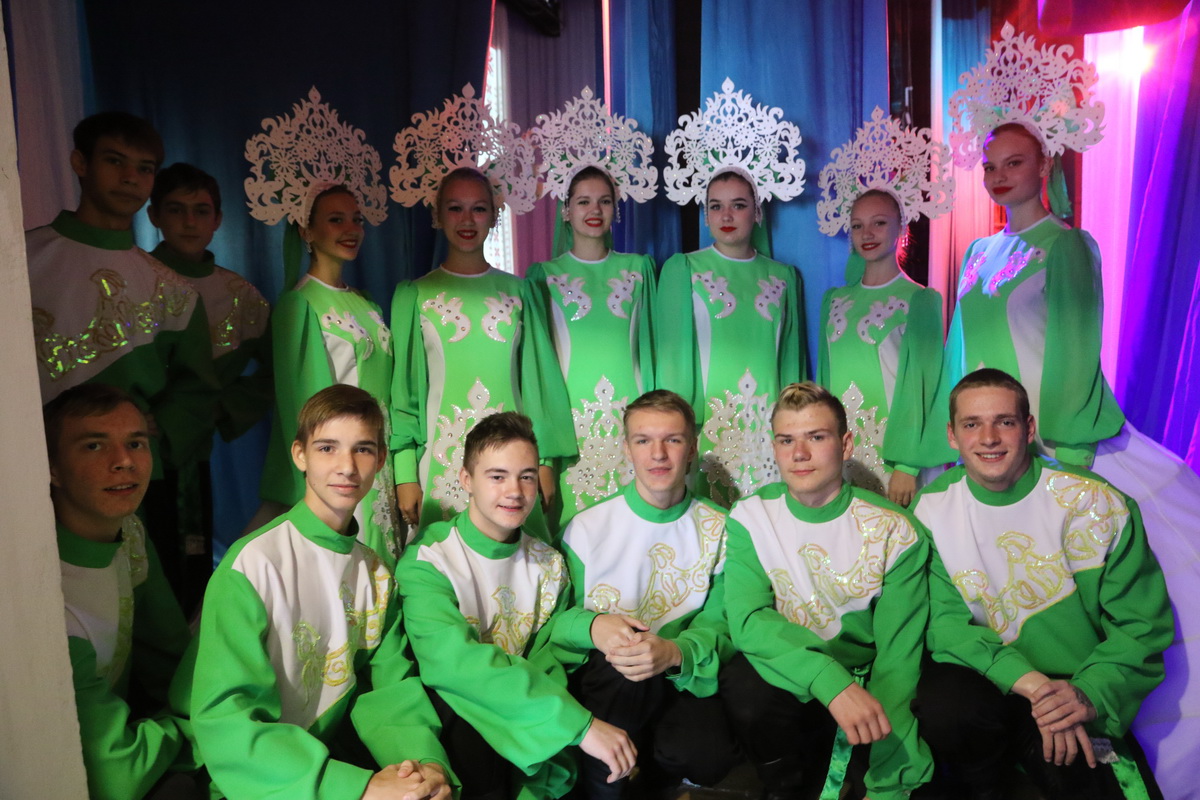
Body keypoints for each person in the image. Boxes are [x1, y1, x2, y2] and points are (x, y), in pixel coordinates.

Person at [946, 27, 1200, 790]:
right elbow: (962, 354)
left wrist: (1061, 451)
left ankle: (1098, 721)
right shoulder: (979, 253)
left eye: (1014, 162)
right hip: (991, 439)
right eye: (991, 165)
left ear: (1046, 166)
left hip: (1057, 438)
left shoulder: (1068, 246)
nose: (999, 176)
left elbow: (1074, 352)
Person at [911, 368, 1172, 800]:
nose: (989, 438)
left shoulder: (1097, 504)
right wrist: (1032, 684)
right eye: (972, 424)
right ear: (952, 436)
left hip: (1075, 685)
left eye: (1005, 421)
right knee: (946, 707)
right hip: (989, 682)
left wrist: (1085, 694)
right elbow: (946, 626)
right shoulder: (931, 508)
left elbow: (1142, 627)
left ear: (1028, 428)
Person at [187, 384, 452, 800]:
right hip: (251, 779)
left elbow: (387, 690)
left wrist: (424, 766)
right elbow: (227, 721)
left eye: (362, 449)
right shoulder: (253, 564)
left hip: (323, 765)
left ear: (381, 459)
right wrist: (360, 787)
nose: (347, 466)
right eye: (327, 448)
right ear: (299, 455)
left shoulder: (376, 574)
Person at [396, 411, 636, 800]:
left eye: (526, 476)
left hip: (528, 711)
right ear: (466, 480)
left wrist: (592, 626)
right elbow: (454, 665)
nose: (515, 491)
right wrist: (578, 726)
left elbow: (549, 658)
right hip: (458, 713)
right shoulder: (430, 560)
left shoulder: (548, 563)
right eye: (497, 476)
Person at [27, 111, 218, 600]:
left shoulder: (171, 289)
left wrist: (154, 435)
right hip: (28, 470)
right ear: (80, 163)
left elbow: (197, 390)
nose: (131, 177)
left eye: (145, 168)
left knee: (133, 602)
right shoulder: (23, 261)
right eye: (115, 161)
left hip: (125, 483)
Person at [722, 382, 931, 800]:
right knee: (744, 685)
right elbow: (748, 621)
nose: (799, 453)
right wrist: (828, 681)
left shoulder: (896, 529)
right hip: (792, 676)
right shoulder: (751, 516)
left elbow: (898, 657)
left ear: (846, 444)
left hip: (865, 688)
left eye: (816, 437)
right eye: (787, 440)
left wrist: (889, 777)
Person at [558, 389, 737, 798]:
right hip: (610, 683)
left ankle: (656, 778)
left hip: (680, 676)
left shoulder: (723, 529)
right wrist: (594, 627)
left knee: (709, 756)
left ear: (691, 449)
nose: (658, 454)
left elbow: (722, 621)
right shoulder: (585, 528)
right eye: (643, 440)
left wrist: (674, 652)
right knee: (624, 665)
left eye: (672, 440)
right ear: (627, 448)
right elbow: (556, 621)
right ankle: (603, 785)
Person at [391, 167, 572, 531]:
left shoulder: (521, 292)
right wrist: (405, 473)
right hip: (441, 464)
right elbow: (404, 393)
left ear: (494, 215)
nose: (467, 220)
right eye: (455, 208)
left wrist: (545, 463)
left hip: (514, 463)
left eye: (478, 209)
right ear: (438, 215)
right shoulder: (415, 295)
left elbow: (538, 387)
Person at [45, 383, 196, 799]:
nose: (124, 461)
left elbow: (170, 658)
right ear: (52, 468)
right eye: (94, 446)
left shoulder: (130, 533)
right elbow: (116, 773)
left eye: (135, 443)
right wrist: (199, 724)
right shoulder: (42, 587)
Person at [815, 109, 955, 505]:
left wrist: (907, 465)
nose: (867, 233)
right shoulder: (834, 301)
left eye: (879, 223)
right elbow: (823, 384)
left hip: (895, 458)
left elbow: (925, 388)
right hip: (840, 452)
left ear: (901, 229)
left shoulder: (920, 300)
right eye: (858, 225)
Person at [148, 162, 271, 610]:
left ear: (218, 219)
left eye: (200, 211)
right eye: (175, 209)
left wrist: (220, 408)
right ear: (154, 215)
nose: (189, 222)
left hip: (191, 452)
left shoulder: (240, 296)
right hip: (131, 440)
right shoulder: (134, 279)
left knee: (189, 562)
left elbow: (277, 371)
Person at [656, 168, 806, 507]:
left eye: (738, 205)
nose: (726, 216)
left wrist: (794, 430)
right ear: (705, 215)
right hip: (706, 430)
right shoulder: (683, 269)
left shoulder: (783, 277)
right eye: (716, 206)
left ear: (757, 212)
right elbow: (673, 362)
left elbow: (791, 366)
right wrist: (678, 435)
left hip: (770, 431)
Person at [523, 166, 656, 525]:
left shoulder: (639, 271)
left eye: (604, 201)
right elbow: (539, 371)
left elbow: (652, 356)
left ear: (616, 209)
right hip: (571, 435)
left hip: (633, 425)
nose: (594, 210)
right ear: (566, 211)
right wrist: (545, 456)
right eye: (583, 202)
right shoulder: (543, 277)